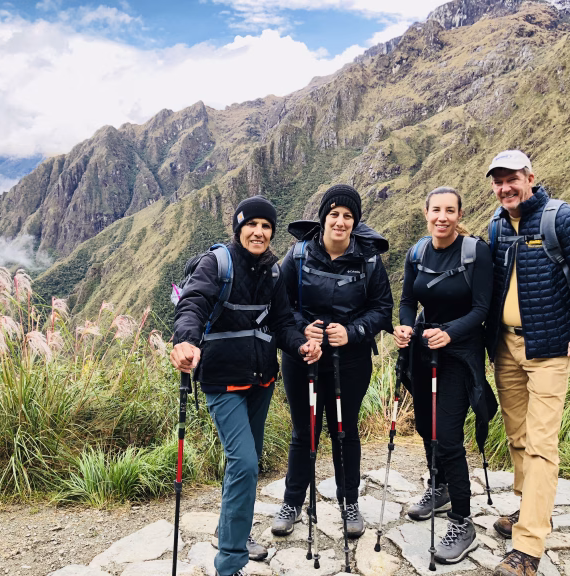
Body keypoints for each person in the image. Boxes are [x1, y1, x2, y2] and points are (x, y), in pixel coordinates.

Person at [170, 195, 322, 576]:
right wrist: (184, 340)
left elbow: (282, 322)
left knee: (244, 464)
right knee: (245, 464)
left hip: (262, 381)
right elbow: (193, 303)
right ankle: (230, 564)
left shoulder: (273, 271)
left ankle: (229, 530)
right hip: (222, 383)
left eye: (266, 226)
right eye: (251, 224)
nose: (259, 232)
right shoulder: (217, 264)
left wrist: (300, 343)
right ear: (238, 228)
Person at [484, 151, 570, 576]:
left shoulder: (563, 220)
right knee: (518, 436)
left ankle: (527, 546)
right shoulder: (497, 226)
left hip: (552, 349)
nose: (506, 187)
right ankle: (531, 509)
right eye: (498, 181)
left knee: (541, 444)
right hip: (505, 347)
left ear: (531, 178)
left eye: (513, 179)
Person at [271, 184, 393, 538]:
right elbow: (282, 306)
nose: (340, 222)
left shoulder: (369, 260)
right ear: (323, 217)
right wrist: (301, 330)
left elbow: (382, 309)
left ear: (355, 222)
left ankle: (348, 502)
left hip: (351, 361)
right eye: (334, 214)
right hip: (303, 358)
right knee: (303, 431)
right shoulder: (297, 255)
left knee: (345, 431)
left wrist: (352, 332)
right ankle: (293, 502)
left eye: (348, 216)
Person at [393, 186, 497, 565]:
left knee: (448, 435)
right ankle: (438, 487)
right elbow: (407, 301)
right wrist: (405, 328)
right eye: (436, 210)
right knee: (424, 425)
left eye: (449, 210)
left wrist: (450, 332)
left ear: (458, 214)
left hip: (458, 353)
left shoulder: (476, 252)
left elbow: (483, 308)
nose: (442, 217)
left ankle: (462, 520)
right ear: (425, 213)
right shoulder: (418, 251)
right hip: (422, 349)